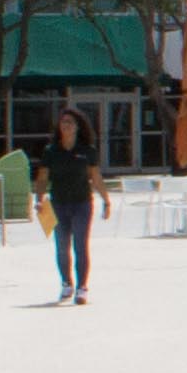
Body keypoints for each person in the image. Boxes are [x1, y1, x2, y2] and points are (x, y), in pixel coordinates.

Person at [36, 105, 109, 306]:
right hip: (58, 203)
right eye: (63, 122)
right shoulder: (51, 151)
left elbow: (95, 176)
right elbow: (42, 177)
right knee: (61, 246)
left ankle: (82, 287)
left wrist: (106, 199)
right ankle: (66, 283)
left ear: (78, 127)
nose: (66, 126)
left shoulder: (87, 151)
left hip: (82, 203)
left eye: (70, 122)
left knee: (80, 245)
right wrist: (39, 198)